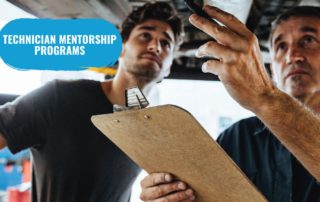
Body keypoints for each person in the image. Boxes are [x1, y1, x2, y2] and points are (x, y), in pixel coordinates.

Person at [0, 2, 183, 202]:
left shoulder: (150, 129)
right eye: (145, 35)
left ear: (168, 67)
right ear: (121, 48)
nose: (155, 46)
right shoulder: (59, 98)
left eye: (165, 43)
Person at [139, 5, 320, 202]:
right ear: (272, 68)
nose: (293, 56)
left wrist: (265, 97)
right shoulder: (236, 137)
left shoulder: (261, 103)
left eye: (308, 41)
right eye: (281, 46)